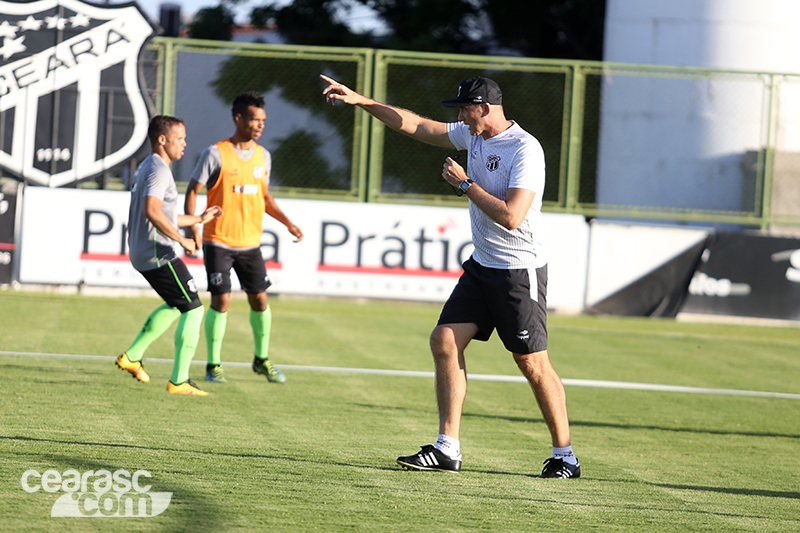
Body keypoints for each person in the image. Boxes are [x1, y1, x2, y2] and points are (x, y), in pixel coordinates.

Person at [321, 74, 580, 478]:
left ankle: (566, 456)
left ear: (485, 108)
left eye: (465, 109)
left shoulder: (525, 148)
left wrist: (465, 184)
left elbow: (512, 217)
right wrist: (362, 101)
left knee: (531, 363)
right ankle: (447, 448)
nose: (460, 117)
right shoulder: (472, 134)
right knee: (444, 340)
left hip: (518, 271)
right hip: (482, 266)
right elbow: (418, 126)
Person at [185, 91, 304, 385]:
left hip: (250, 243)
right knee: (222, 300)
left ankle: (261, 360)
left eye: (263, 120)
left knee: (260, 299)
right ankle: (213, 365)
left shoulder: (264, 156)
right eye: (254, 119)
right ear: (238, 119)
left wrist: (288, 223)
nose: (260, 125)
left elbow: (264, 197)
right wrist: (193, 227)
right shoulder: (215, 153)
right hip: (218, 240)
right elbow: (192, 190)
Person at [116, 115, 222, 396]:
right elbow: (152, 211)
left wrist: (198, 218)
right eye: (180, 138)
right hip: (158, 253)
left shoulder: (148, 166)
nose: (184, 143)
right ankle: (179, 380)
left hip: (143, 251)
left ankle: (132, 356)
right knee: (194, 309)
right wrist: (181, 240)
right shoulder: (159, 170)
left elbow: (165, 214)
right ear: (162, 140)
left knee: (177, 304)